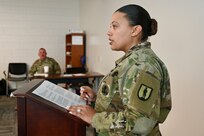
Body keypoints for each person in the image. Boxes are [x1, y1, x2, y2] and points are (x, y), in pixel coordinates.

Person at [68, 4, 171, 136]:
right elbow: (125, 100)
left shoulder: (142, 65)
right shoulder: (132, 61)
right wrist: (98, 98)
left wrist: (95, 119)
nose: (109, 32)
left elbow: (140, 123)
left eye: (115, 26)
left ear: (135, 30)